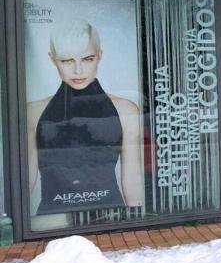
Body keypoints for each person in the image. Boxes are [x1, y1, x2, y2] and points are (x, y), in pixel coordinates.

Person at [27, 20, 143, 216]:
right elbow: (25, 179)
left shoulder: (126, 111)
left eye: (87, 59)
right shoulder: (33, 112)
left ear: (99, 57)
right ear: (53, 59)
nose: (78, 70)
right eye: (67, 60)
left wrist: (137, 223)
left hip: (111, 214)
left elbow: (132, 175)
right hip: (52, 219)